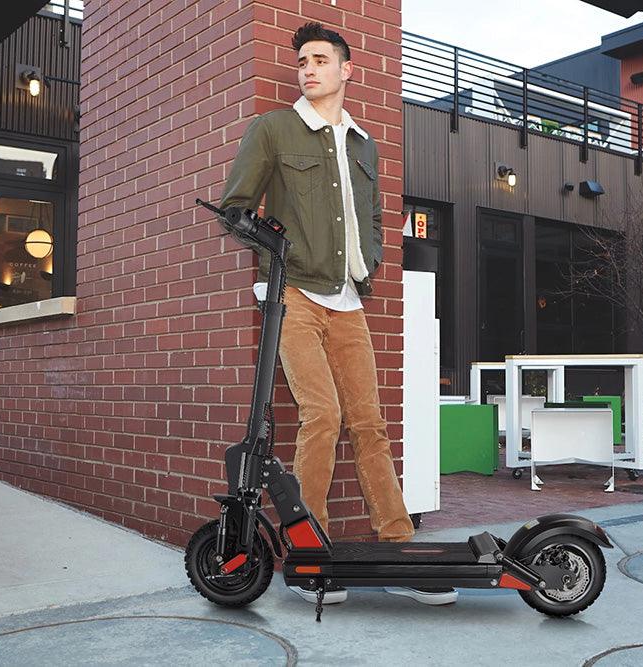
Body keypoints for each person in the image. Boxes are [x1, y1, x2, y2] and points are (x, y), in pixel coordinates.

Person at [219, 21, 457, 607]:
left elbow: (374, 219)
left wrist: (371, 258)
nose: (308, 68)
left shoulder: (363, 143)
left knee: (371, 426)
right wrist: (278, 252)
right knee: (321, 416)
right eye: (303, 60)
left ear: (347, 70)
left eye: (321, 60)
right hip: (295, 295)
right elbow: (234, 209)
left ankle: (401, 551)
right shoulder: (273, 130)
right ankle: (310, 554)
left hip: (349, 301)